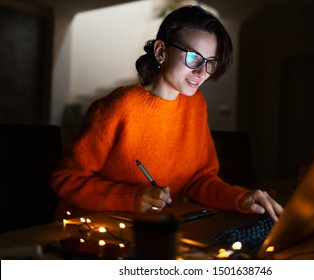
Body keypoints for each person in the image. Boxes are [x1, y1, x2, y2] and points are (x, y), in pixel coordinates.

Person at [51, 5, 283, 222]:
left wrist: (239, 198)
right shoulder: (118, 107)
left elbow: (199, 180)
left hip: (158, 228)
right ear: (161, 51)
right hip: (94, 233)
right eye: (193, 58)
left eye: (211, 62)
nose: (202, 72)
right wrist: (131, 198)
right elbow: (66, 179)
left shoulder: (196, 105)